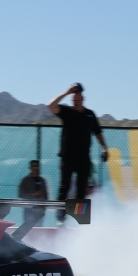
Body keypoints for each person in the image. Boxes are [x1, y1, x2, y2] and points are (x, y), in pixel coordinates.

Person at [48, 83, 108, 224]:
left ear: (83, 98)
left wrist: (105, 148)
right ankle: (60, 219)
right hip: (68, 157)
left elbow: (98, 132)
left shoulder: (89, 115)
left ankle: (79, 220)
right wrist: (65, 92)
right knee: (65, 187)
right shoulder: (67, 111)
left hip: (83, 158)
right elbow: (50, 106)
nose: (76, 102)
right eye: (73, 100)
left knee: (82, 189)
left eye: (78, 99)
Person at [13, 160, 48, 241]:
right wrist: (33, 194)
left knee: (39, 229)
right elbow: (21, 194)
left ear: (38, 167)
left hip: (39, 210)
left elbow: (46, 196)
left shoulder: (42, 180)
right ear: (30, 167)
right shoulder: (25, 180)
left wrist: (43, 208)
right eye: (33, 166)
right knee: (27, 229)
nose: (35, 168)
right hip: (28, 210)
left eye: (36, 166)